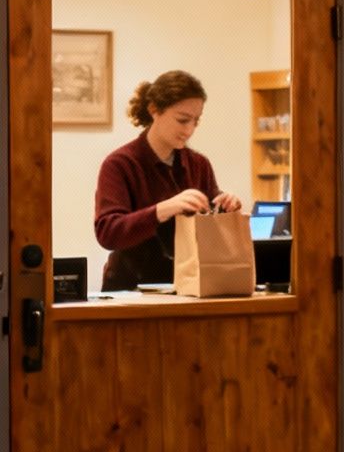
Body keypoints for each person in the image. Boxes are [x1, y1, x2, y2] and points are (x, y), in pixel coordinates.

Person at [94, 71, 241, 291]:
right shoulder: (119, 164)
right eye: (182, 120)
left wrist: (227, 207)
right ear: (154, 110)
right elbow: (108, 233)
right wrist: (162, 210)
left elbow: (211, 229)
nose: (189, 130)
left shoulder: (199, 164)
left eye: (195, 121)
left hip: (188, 288)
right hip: (131, 290)